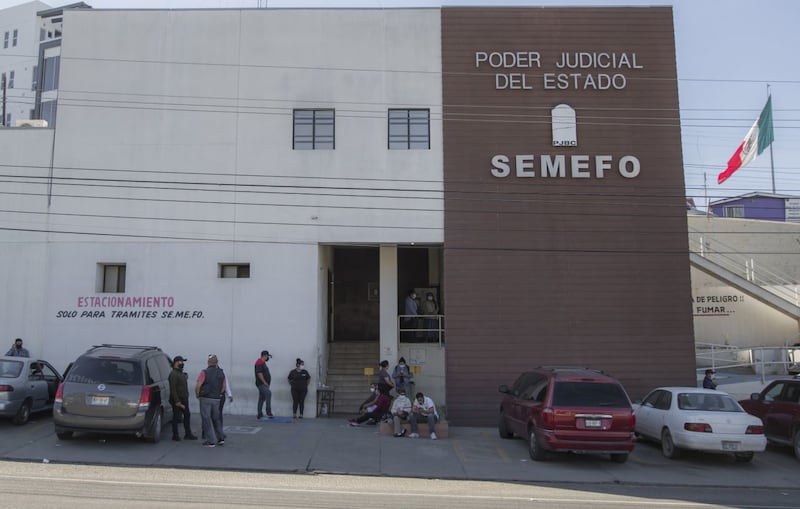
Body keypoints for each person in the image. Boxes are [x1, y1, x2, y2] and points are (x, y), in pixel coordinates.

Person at [195, 354, 226, 447]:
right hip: (216, 399)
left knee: (206, 419)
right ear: (217, 362)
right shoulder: (221, 373)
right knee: (216, 419)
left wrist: (198, 395)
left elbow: (198, 385)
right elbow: (224, 387)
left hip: (205, 398)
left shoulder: (204, 372)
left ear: (208, 362)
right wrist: (219, 394)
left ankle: (210, 441)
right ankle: (221, 438)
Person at [168, 355, 197, 441]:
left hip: (184, 398)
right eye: (181, 361)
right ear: (176, 362)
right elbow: (172, 389)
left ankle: (188, 434)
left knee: (187, 415)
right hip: (178, 399)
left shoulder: (180, 373)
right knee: (176, 417)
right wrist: (177, 401)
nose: (182, 363)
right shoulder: (173, 374)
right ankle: (175, 435)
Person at [255, 350, 273, 420]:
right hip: (261, 384)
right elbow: (259, 373)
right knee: (268, 393)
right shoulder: (259, 362)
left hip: (263, 383)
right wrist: (265, 382)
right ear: (265, 356)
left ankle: (259, 414)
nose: (268, 358)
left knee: (262, 398)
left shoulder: (262, 362)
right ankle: (268, 413)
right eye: (267, 356)